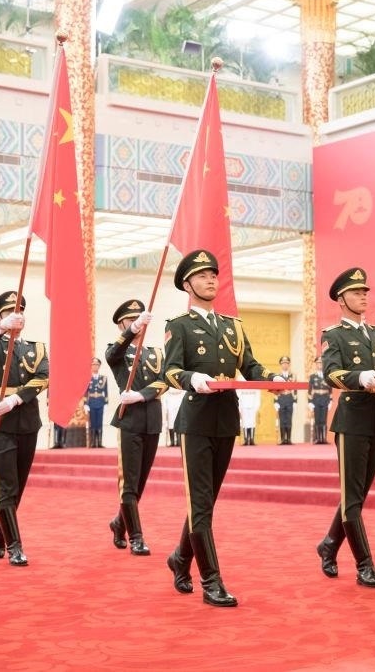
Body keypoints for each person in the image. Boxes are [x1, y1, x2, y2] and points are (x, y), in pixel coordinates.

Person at [163, 249, 283, 607]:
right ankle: (211, 581)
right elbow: (170, 371)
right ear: (187, 285)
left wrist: (271, 378)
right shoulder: (179, 326)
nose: (210, 280)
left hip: (226, 419)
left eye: (213, 275)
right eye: (202, 275)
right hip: (196, 421)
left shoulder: (233, 326)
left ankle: (180, 558)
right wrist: (192, 378)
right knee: (201, 502)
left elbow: (250, 365)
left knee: (206, 500)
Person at [315, 267, 375, 587]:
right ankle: (364, 565)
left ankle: (329, 544)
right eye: (356, 292)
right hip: (352, 419)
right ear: (341, 299)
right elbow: (331, 373)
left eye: (364, 292)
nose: (363, 296)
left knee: (356, 494)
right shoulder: (334, 335)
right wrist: (359, 377)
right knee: (353, 497)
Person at [0, 291, 49, 567]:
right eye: (10, 312)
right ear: (1, 317)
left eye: (19, 312)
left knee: (18, 485)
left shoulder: (36, 348)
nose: (16, 316)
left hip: (27, 419)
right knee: (7, 486)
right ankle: (14, 546)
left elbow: (43, 377)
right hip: (1, 421)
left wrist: (16, 399)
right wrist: (0, 328)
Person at [104, 299, 167, 556]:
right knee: (129, 482)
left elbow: (164, 381)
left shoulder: (155, 353)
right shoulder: (117, 351)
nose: (137, 324)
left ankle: (119, 523)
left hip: (152, 420)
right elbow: (112, 354)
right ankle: (136, 537)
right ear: (122, 324)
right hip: (129, 421)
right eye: (131, 320)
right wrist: (132, 330)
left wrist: (141, 395)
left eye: (139, 320)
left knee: (140, 482)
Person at [84, 358, 109, 448]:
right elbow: (85, 392)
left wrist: (106, 403)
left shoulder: (103, 378)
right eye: (93, 365)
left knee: (99, 423)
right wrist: (85, 404)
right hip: (91, 403)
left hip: (100, 402)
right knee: (93, 423)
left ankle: (99, 443)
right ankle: (93, 443)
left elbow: (106, 392)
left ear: (99, 366)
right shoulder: (87, 378)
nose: (95, 366)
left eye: (97, 365)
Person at [273, 355, 297, 444]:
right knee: (282, 419)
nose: (285, 365)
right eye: (283, 363)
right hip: (281, 398)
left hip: (290, 398)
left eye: (287, 363)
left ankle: (289, 439)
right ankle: (283, 439)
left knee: (289, 419)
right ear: (280, 364)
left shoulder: (293, 376)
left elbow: (295, 389)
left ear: (289, 364)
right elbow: (275, 390)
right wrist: (275, 401)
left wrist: (295, 401)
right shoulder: (277, 376)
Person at [308, 356, 331, 445]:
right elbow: (310, 390)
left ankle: (323, 438)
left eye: (321, 363)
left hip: (325, 399)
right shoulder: (312, 377)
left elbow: (330, 390)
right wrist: (310, 402)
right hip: (316, 399)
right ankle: (317, 438)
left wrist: (331, 400)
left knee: (324, 419)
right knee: (317, 419)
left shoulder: (327, 376)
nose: (320, 365)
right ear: (316, 364)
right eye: (318, 363)